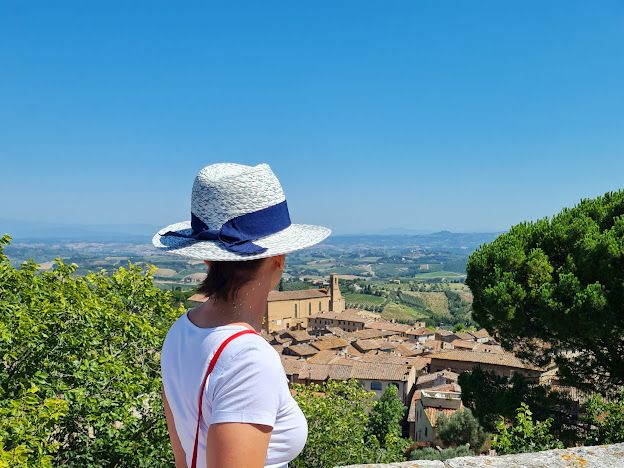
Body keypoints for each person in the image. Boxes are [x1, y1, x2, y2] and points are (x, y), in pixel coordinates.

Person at [152, 163, 331, 468]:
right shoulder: (248, 359)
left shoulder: (179, 332)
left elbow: (183, 458)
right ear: (279, 259)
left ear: (207, 258)